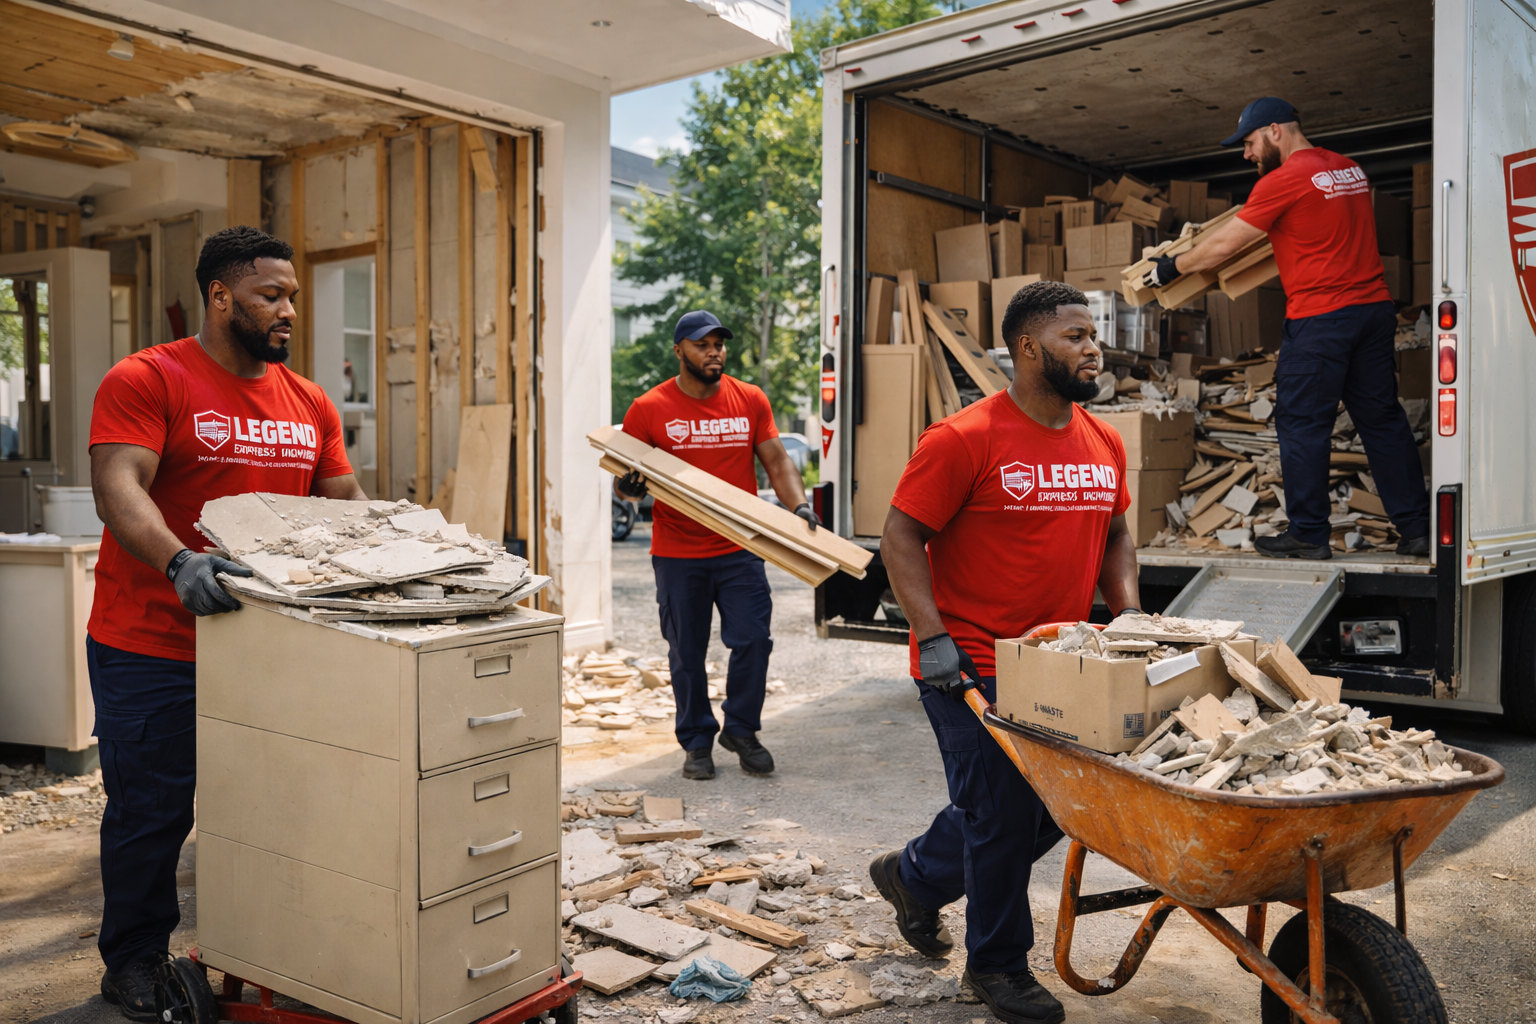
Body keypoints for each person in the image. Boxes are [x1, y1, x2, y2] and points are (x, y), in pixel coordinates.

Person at [86, 226, 367, 1018]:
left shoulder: (309, 400)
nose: (288, 311)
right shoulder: (149, 378)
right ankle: (133, 959)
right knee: (152, 812)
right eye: (269, 296)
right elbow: (118, 486)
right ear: (219, 297)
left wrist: (412, 559)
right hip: (153, 644)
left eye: (292, 297)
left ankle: (270, 941)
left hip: (267, 649)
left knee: (274, 801)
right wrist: (179, 561)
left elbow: (345, 506)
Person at [871, 281, 1142, 1024]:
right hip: (970, 660)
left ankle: (916, 877)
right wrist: (933, 638)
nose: (1094, 349)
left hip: (1060, 662)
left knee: (1057, 807)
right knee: (1000, 815)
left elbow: (1117, 534)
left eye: (1093, 336)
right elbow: (900, 536)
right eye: (1075, 336)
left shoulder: (1103, 440)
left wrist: (1129, 619)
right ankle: (996, 967)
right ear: (1028, 347)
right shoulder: (964, 437)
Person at [1145, 96, 1430, 558]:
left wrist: (1171, 267)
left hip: (1321, 318)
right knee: (1382, 421)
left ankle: (1309, 534)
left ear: (1275, 130)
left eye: (1250, 142)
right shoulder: (1350, 170)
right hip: (1372, 311)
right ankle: (1417, 529)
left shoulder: (1284, 179)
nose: (1247, 154)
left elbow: (1225, 246)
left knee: (1302, 424)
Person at [616, 310, 817, 781]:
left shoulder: (749, 399)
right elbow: (625, 485)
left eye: (719, 344)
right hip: (677, 552)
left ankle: (741, 730)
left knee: (754, 640)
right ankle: (697, 741)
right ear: (679, 350)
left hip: (739, 548)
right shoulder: (648, 408)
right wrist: (629, 488)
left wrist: (800, 506)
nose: (714, 352)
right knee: (686, 652)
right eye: (702, 345)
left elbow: (776, 461)